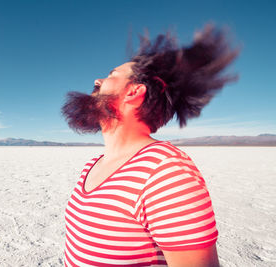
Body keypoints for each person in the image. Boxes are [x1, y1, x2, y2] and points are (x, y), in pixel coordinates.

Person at [61, 24, 239, 266]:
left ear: (134, 92)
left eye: (112, 75)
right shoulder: (92, 165)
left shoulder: (165, 172)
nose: (98, 79)